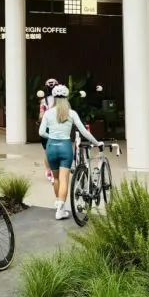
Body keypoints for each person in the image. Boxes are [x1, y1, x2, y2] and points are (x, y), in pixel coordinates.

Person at [39, 84, 103, 220]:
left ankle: (59, 206)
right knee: (64, 180)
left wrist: (51, 136)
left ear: (54, 98)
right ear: (67, 98)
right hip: (65, 147)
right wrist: (97, 143)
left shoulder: (48, 113)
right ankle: (60, 210)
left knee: (56, 178)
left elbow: (41, 132)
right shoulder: (71, 113)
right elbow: (84, 132)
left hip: (51, 147)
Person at [39, 78, 59, 184]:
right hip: (56, 127)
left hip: (46, 127)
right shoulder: (61, 101)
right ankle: (53, 170)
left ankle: (48, 171)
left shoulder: (43, 101)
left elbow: (40, 116)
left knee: (47, 151)